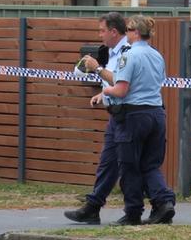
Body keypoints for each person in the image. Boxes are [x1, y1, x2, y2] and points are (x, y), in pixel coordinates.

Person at [103, 15, 176, 225]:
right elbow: (158, 82)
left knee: (129, 166)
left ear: (134, 32)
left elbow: (121, 89)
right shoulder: (157, 55)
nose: (125, 34)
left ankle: (133, 212)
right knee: (151, 165)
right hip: (156, 114)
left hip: (134, 116)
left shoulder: (129, 55)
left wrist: (106, 90)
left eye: (127, 30)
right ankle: (164, 203)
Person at [64, 12, 129, 224]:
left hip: (129, 113)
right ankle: (93, 206)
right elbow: (116, 82)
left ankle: (157, 204)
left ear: (113, 31)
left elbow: (123, 80)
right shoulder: (110, 51)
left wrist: (97, 69)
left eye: (102, 30)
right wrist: (104, 93)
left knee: (134, 164)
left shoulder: (128, 52)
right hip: (116, 111)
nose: (99, 34)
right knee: (108, 163)